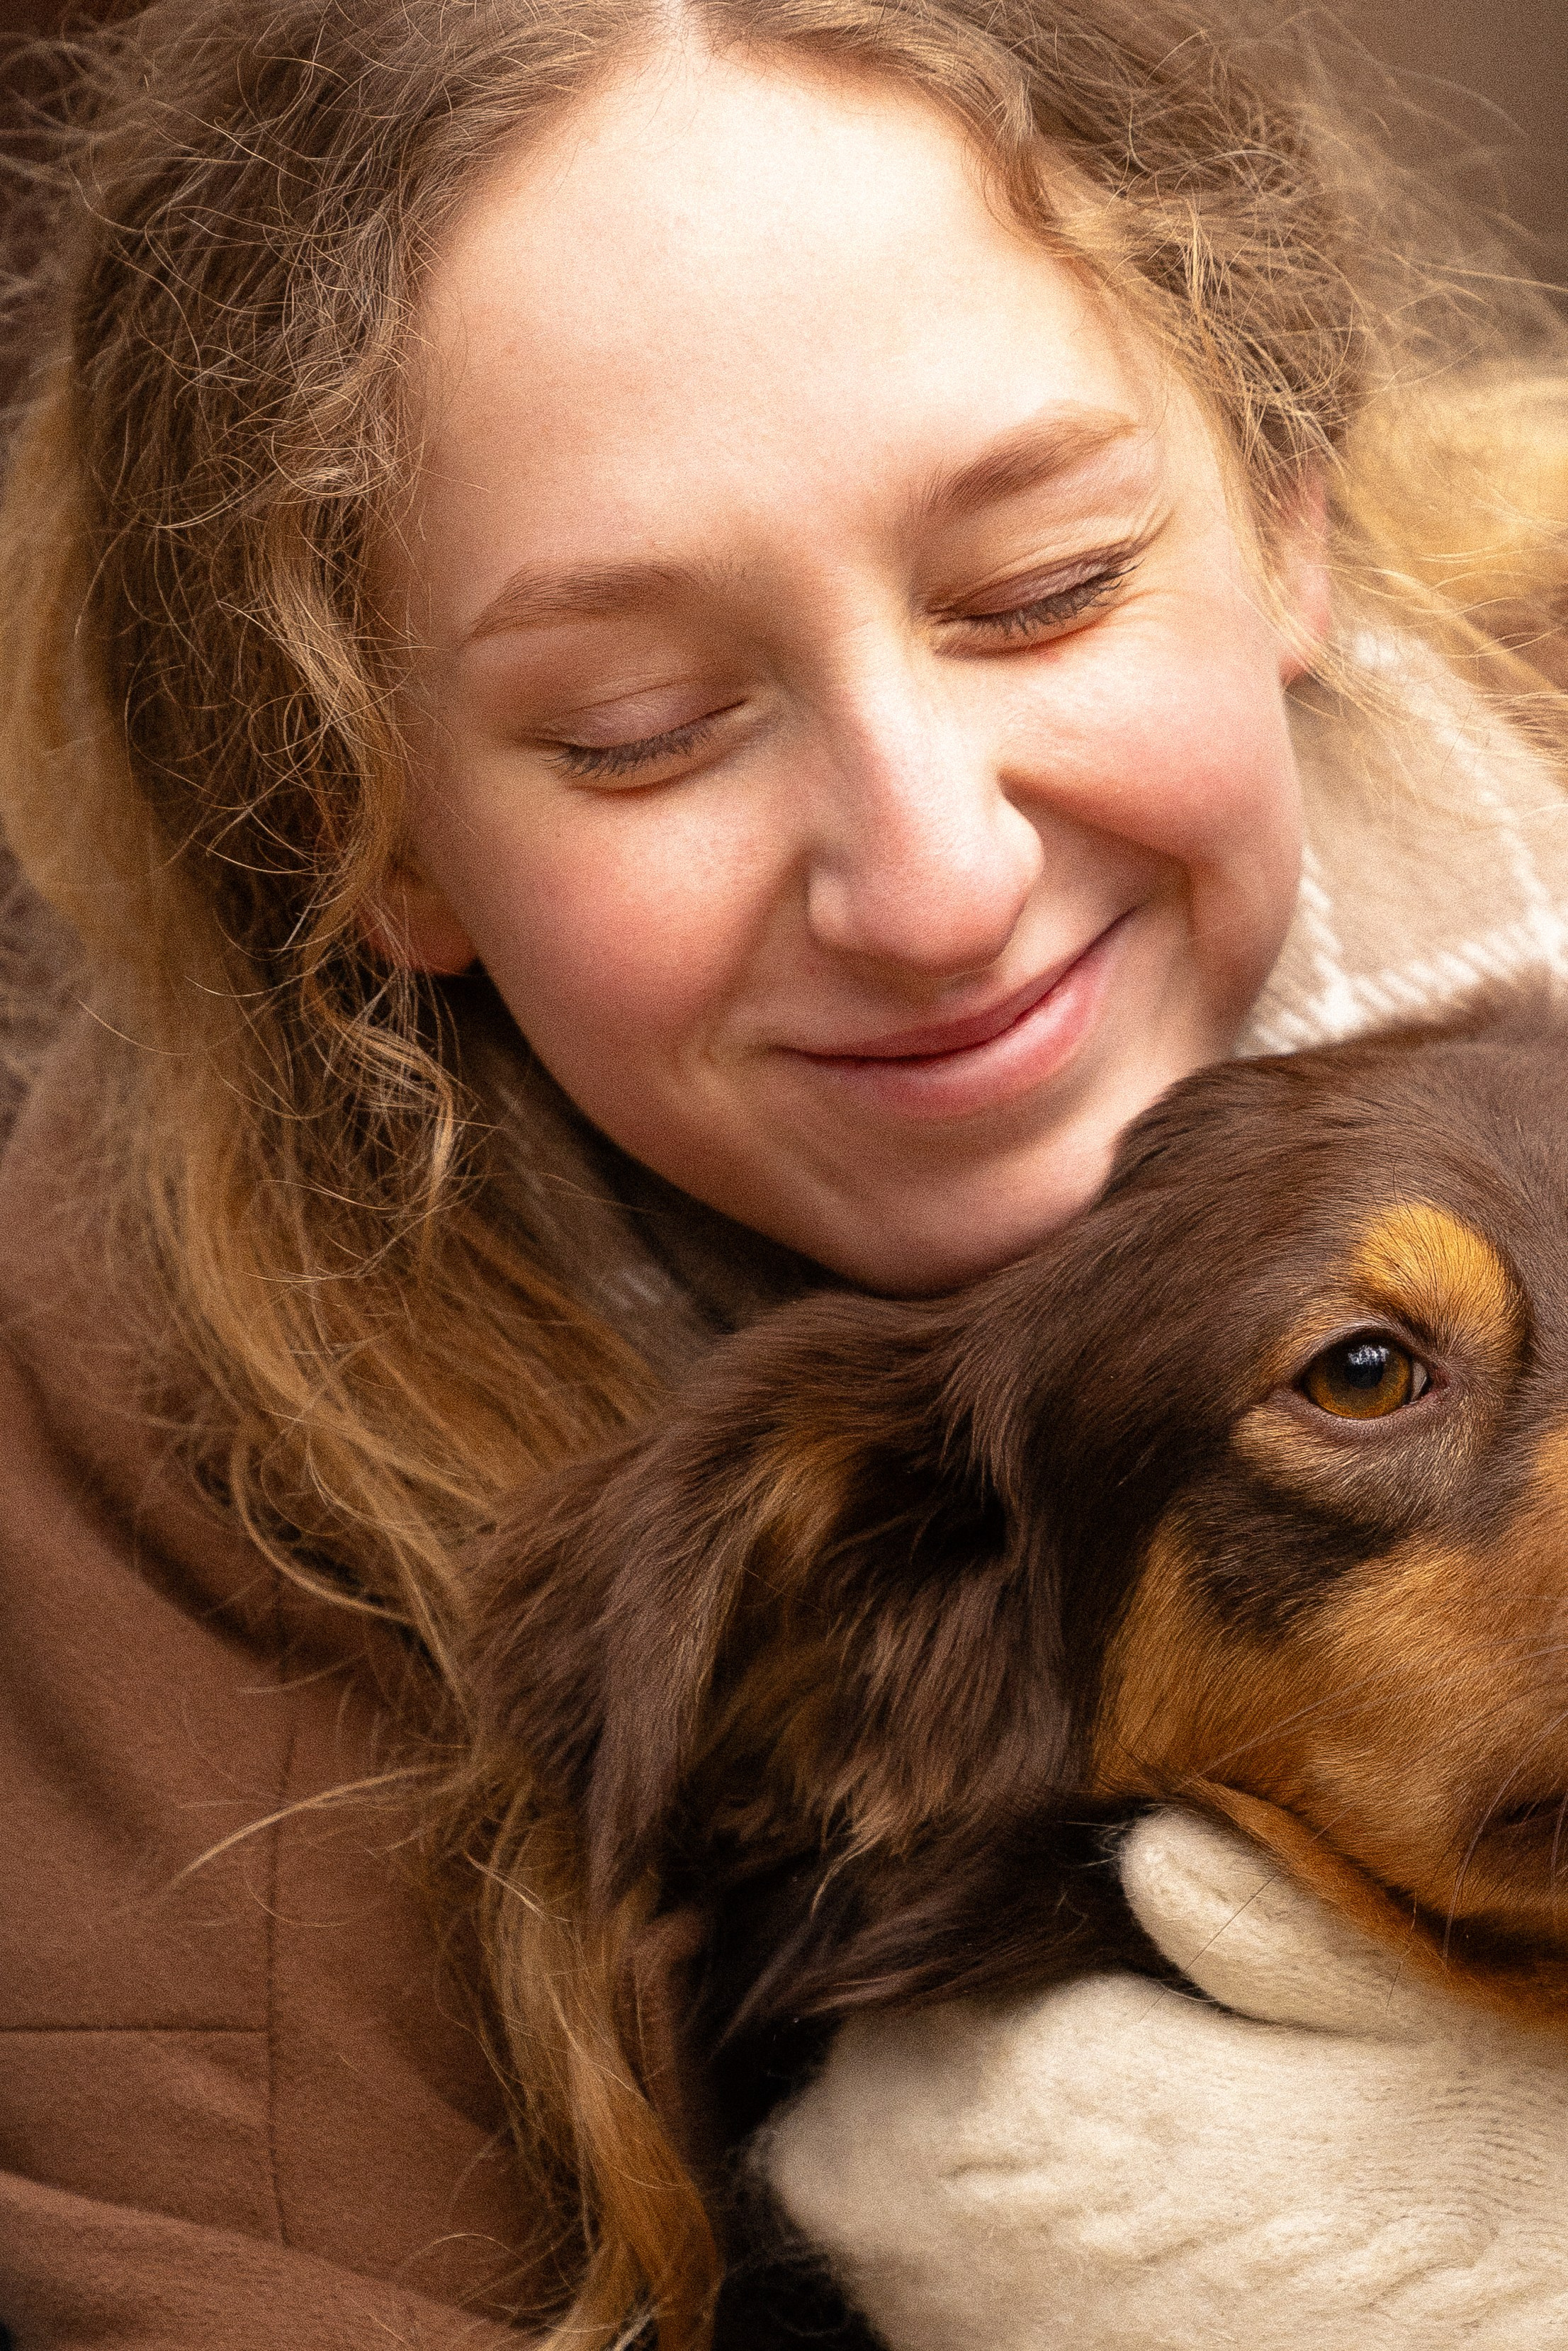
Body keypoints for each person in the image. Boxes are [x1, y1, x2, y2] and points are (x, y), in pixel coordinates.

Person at [0, 0, 1566, 2345]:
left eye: (1041, 585)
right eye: (642, 729)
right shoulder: (156, 1411)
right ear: (369, 826)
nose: (935, 881)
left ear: (1286, 515)